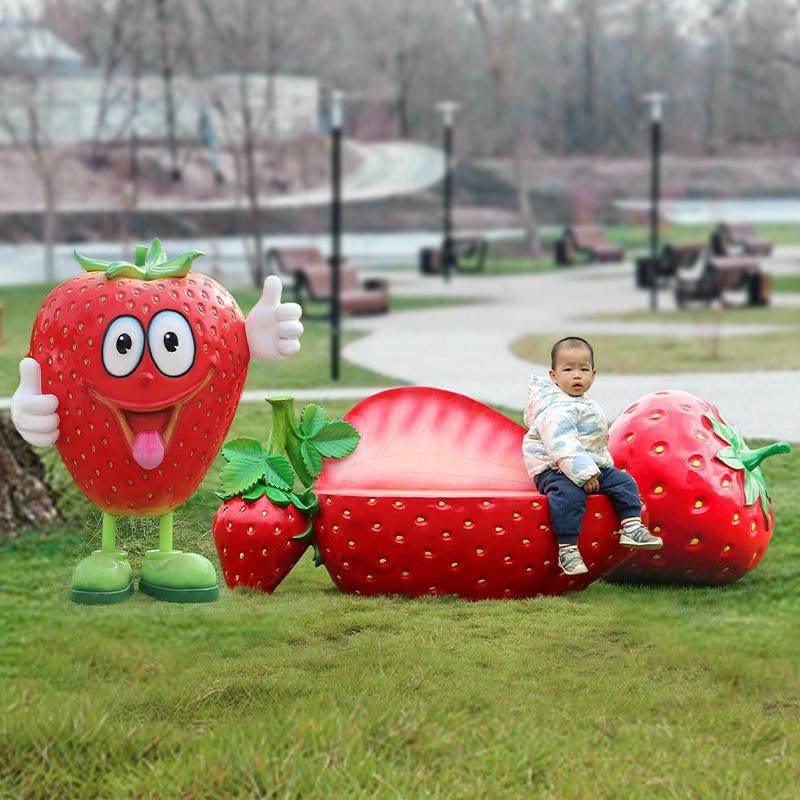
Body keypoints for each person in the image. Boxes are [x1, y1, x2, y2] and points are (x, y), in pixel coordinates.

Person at [522, 336, 662, 576]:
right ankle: (567, 548)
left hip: (587, 464)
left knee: (624, 481)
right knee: (569, 495)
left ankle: (631, 526)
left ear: (593, 375)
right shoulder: (555, 408)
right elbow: (562, 445)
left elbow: (590, 439)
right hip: (554, 467)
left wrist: (597, 465)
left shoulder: (583, 401)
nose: (577, 375)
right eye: (568, 369)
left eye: (583, 369)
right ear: (553, 376)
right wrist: (585, 475)